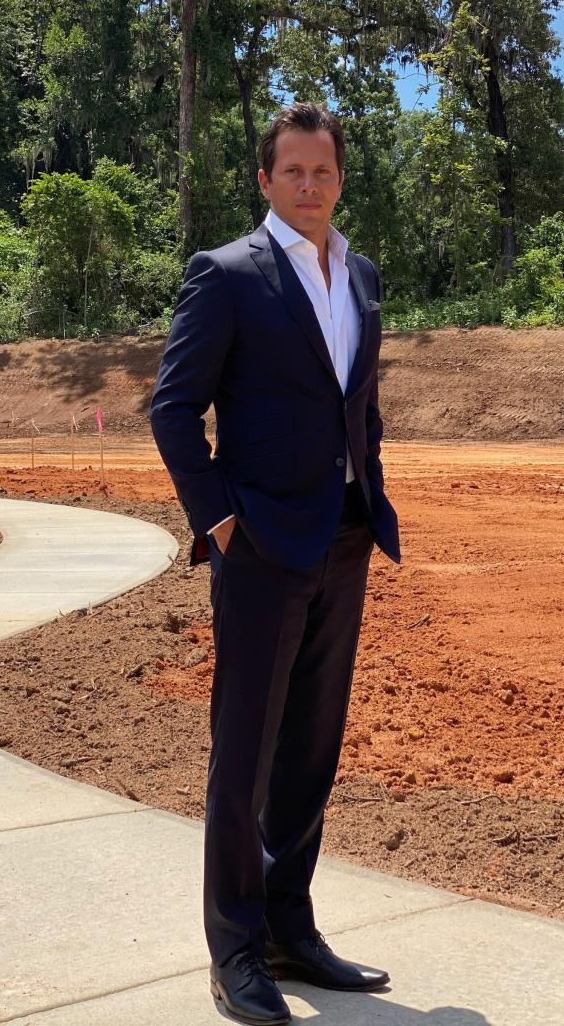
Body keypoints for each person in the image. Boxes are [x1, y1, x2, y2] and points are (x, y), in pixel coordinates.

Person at [150, 101, 401, 1025]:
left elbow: (358, 405)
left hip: (342, 538)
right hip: (258, 545)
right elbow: (173, 412)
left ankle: (293, 927)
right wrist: (218, 525)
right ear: (265, 180)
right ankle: (236, 949)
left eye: (322, 171)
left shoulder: (363, 275)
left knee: (311, 749)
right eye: (291, 171)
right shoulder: (225, 277)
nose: (309, 185)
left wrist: (365, 493)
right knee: (244, 755)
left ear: (340, 177)